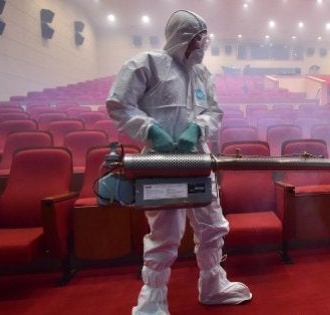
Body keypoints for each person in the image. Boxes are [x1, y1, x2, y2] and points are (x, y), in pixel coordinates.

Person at [106, 10, 252, 314]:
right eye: (199, 39)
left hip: (198, 159)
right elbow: (119, 105)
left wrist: (197, 127)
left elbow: (214, 112)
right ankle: (152, 301)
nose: (203, 45)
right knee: (165, 235)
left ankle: (212, 284)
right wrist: (150, 130)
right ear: (182, 38)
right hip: (161, 164)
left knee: (212, 226)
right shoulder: (146, 64)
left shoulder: (202, 74)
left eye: (205, 39)